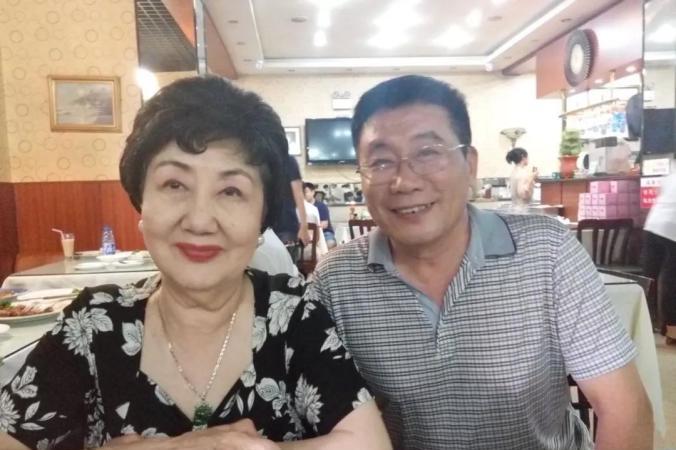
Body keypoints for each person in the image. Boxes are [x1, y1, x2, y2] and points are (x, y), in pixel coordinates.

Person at [0, 76, 391, 450]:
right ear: (141, 202)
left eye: (231, 191)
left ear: (261, 218)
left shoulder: (292, 312)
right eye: (174, 184)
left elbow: (368, 444)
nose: (200, 221)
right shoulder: (94, 323)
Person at [307, 75, 653, 450]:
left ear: (470, 164)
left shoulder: (548, 251)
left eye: (428, 152)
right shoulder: (336, 281)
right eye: (380, 161)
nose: (404, 182)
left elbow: (625, 409)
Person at [642, 171, 676, 345]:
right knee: (671, 280)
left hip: (653, 225)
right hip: (671, 228)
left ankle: (643, 325)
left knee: (651, 279)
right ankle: (672, 330)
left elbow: (659, 191)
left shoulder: (672, 174)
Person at [273, 155, 310, 246]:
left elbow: (299, 194)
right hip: (285, 224)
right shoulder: (289, 161)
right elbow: (299, 194)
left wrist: (304, 226)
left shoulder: (288, 161)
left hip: (285, 223)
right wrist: (304, 226)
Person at [303, 182, 336, 248]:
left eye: (306, 192)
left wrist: (312, 229)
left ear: (313, 192)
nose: (303, 194)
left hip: (324, 233)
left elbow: (324, 224)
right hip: (306, 234)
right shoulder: (300, 207)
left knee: (330, 243)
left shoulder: (321, 206)